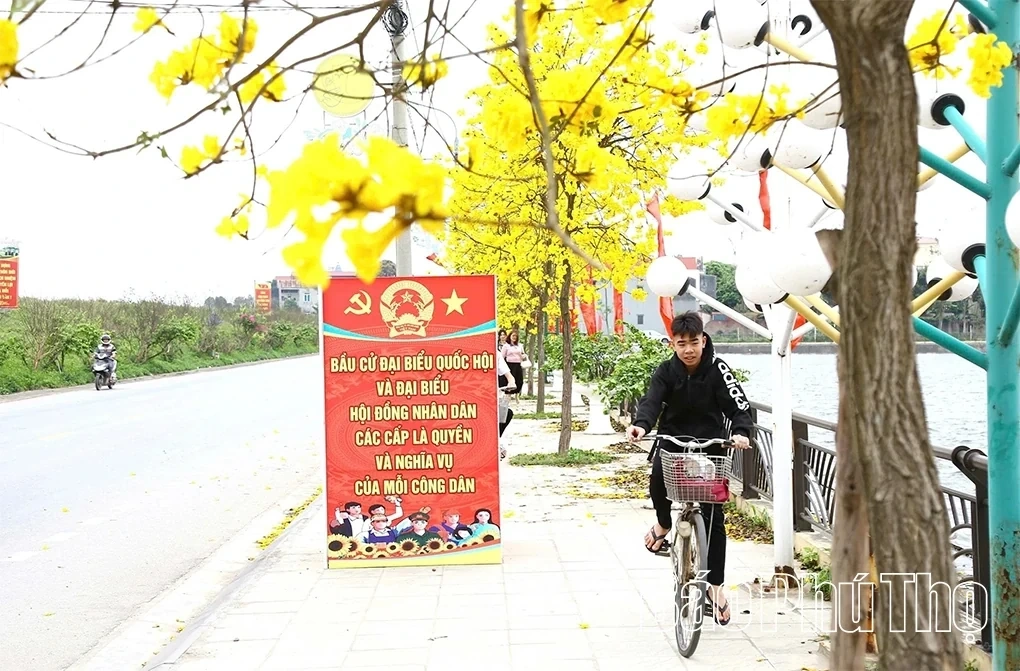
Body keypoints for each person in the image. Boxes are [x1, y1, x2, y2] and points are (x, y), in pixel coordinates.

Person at [626, 312, 753, 626]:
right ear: (673, 344)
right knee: (658, 479)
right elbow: (651, 401)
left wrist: (741, 432)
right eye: (681, 344)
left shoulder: (718, 369)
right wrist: (641, 426)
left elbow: (739, 405)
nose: (688, 350)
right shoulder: (666, 371)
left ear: (703, 340)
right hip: (673, 441)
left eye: (694, 342)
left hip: (711, 447)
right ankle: (663, 525)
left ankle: (716, 588)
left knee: (714, 519)